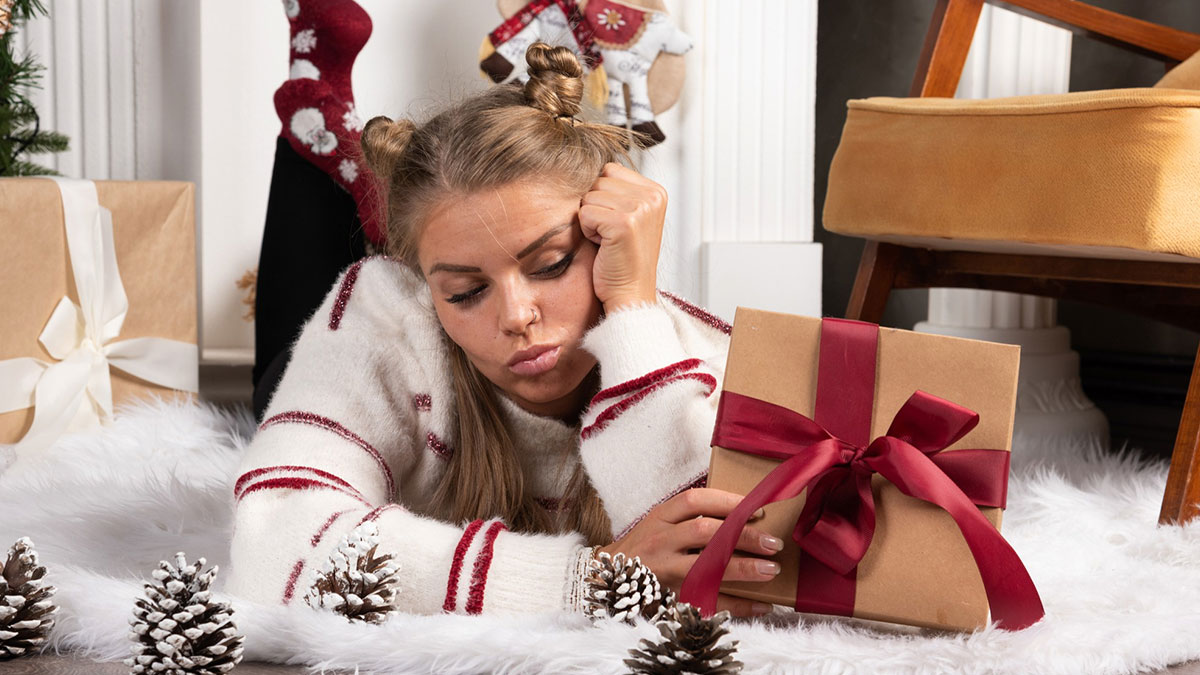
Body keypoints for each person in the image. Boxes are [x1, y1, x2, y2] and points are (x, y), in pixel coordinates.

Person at [225, 43, 783, 618]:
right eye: (466, 292)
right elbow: (272, 547)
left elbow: (717, 570)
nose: (517, 317)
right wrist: (586, 582)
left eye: (551, 265)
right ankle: (314, 114)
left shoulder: (705, 354)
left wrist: (634, 310)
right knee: (287, 326)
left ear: (605, 242)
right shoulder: (390, 314)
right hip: (347, 376)